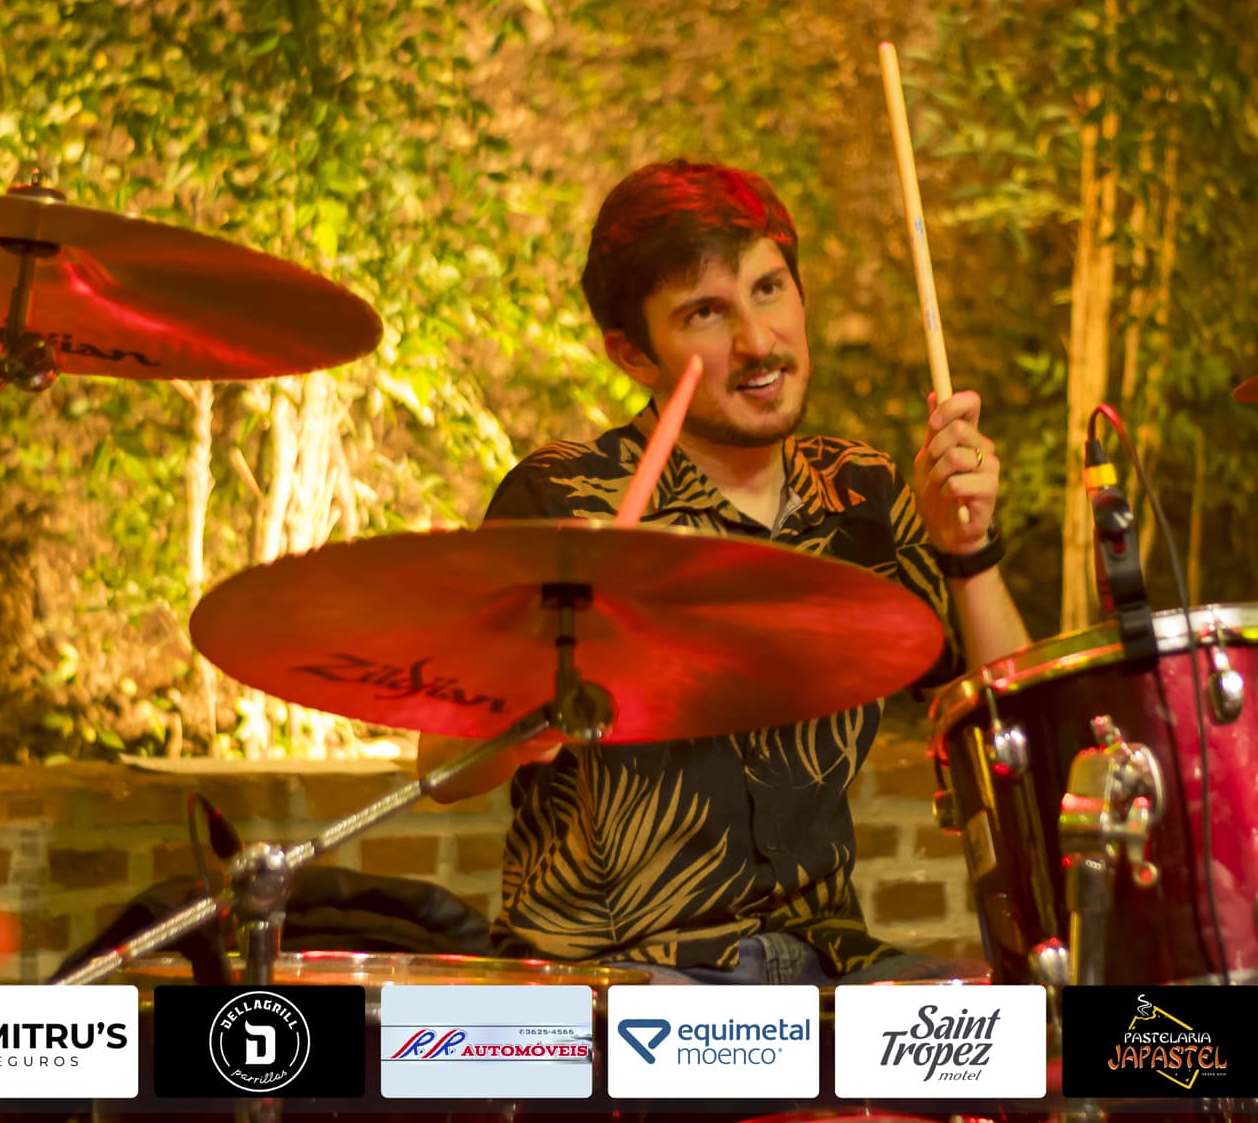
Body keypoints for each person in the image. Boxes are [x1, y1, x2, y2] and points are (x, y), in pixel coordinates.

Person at [420, 159, 1029, 983]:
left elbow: (1009, 738)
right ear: (633, 354)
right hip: (621, 978)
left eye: (769, 289)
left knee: (1072, 1033)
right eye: (706, 312)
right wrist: (552, 683)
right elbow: (442, 769)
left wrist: (968, 548)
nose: (758, 342)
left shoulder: (861, 491)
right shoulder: (562, 499)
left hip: (827, 964)